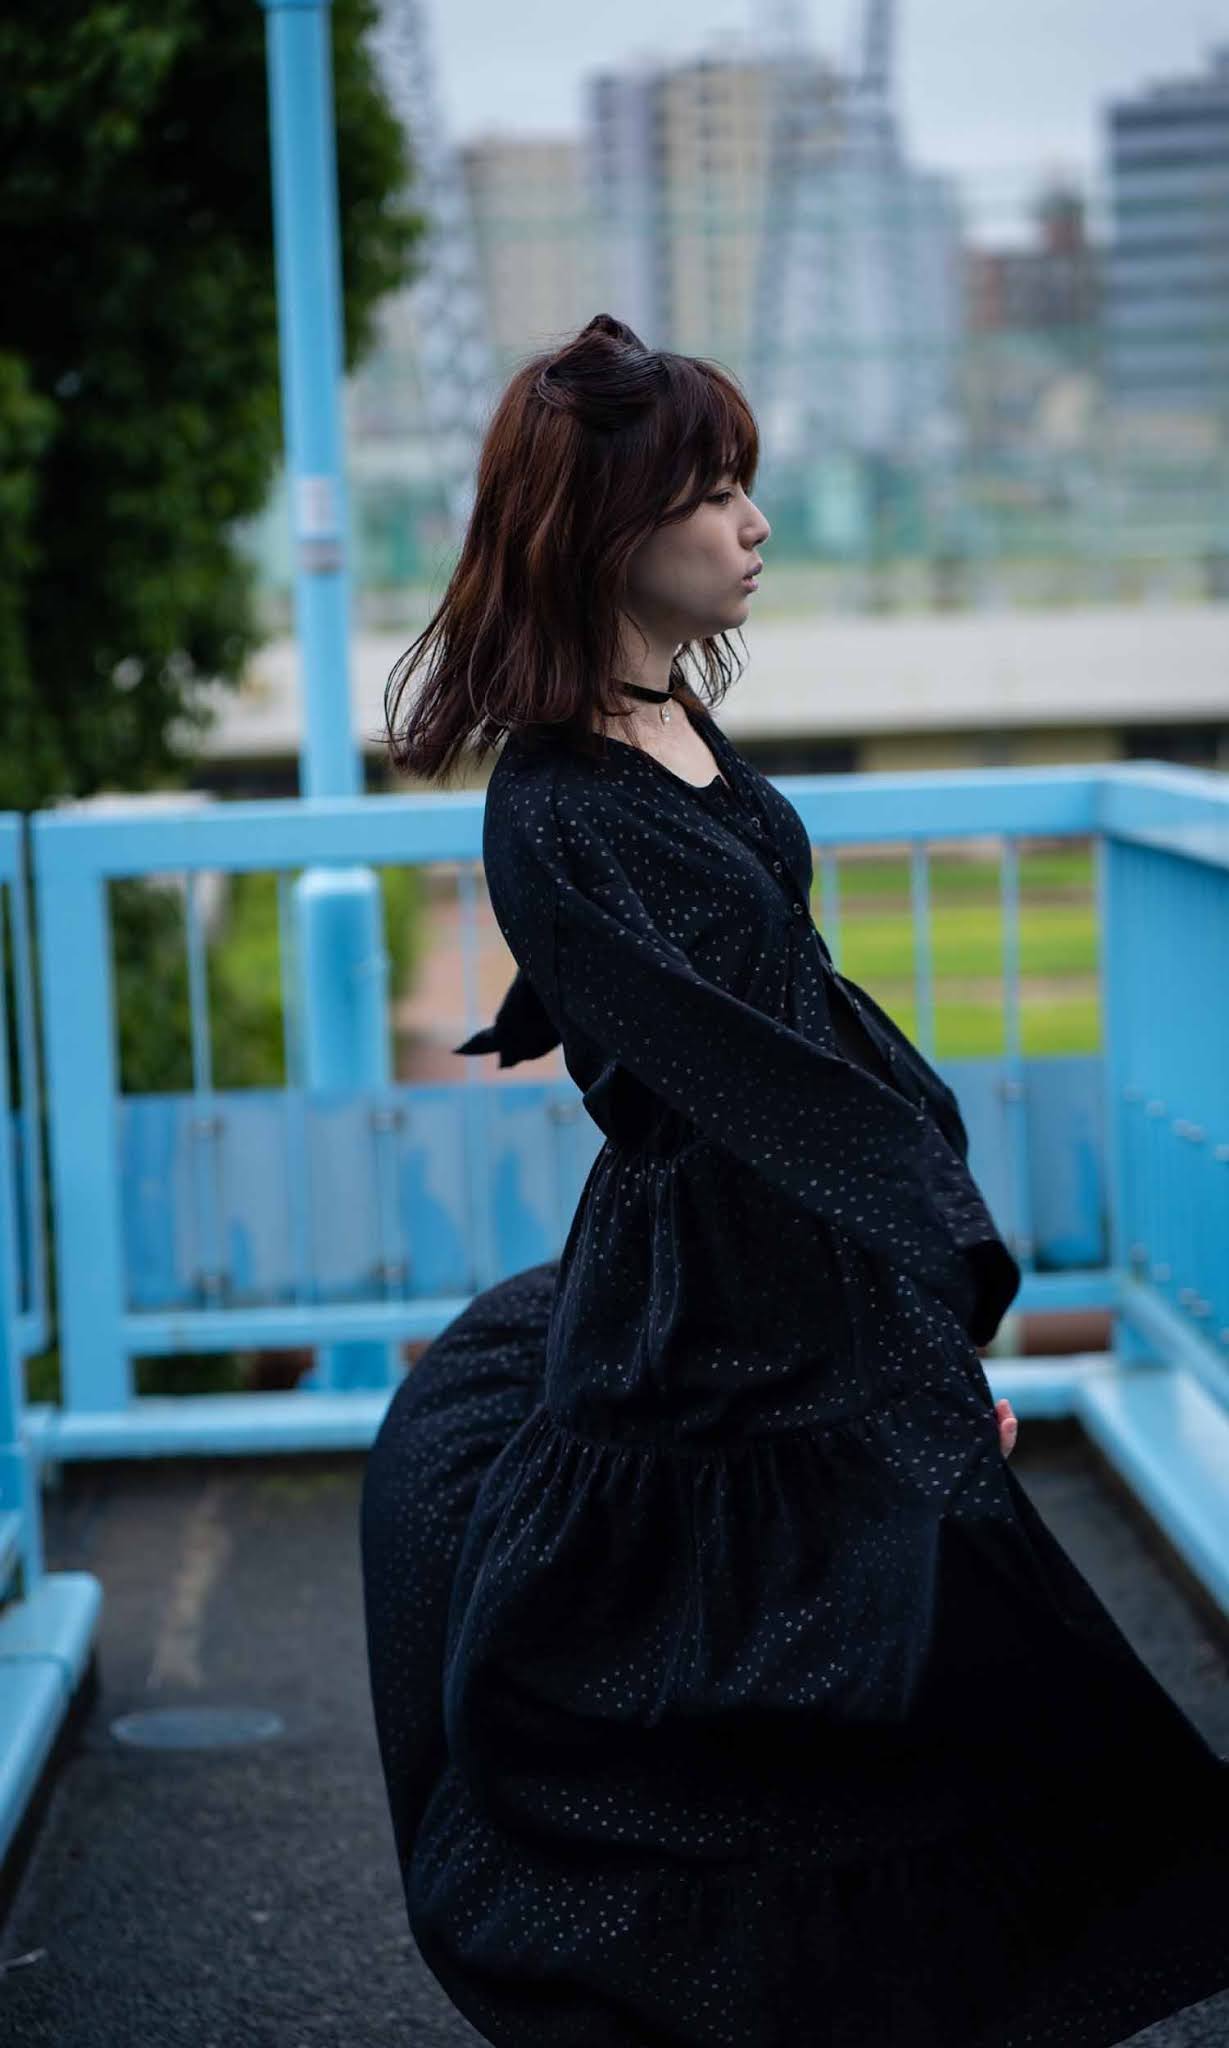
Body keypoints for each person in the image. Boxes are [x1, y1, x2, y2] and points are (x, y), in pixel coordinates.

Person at [361, 313, 1229, 2048]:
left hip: (785, 1249)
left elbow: (777, 1002)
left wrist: (918, 1311)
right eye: (714, 491)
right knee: (750, 1681)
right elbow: (760, 1082)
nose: (753, 522)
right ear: (609, 526)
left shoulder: (663, 718)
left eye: (745, 484)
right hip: (725, 1277)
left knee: (881, 1660)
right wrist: (935, 1298)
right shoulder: (559, 803)